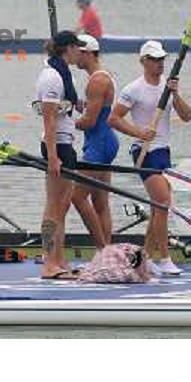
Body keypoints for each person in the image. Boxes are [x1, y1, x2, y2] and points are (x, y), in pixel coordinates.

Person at [108, 40, 191, 276]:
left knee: (158, 208)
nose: (159, 63)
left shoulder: (168, 86)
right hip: (144, 151)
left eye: (162, 59)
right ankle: (165, 258)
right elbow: (114, 118)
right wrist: (139, 132)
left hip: (164, 151)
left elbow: (187, 116)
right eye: (154, 59)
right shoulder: (133, 89)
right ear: (143, 61)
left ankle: (144, 257)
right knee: (163, 203)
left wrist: (175, 94)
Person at [36, 30, 87, 280]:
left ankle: (60, 261)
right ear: (68, 48)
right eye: (78, 48)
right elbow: (48, 119)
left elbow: (66, 108)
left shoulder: (66, 75)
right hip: (55, 145)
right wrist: (53, 157)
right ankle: (48, 263)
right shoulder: (51, 77)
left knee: (62, 207)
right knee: (53, 207)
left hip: (67, 143)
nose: (81, 52)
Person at [72, 34, 119, 249]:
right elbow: (95, 111)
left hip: (99, 143)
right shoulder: (103, 76)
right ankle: (106, 251)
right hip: (104, 141)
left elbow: (89, 122)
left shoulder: (97, 81)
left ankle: (103, 250)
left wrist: (64, 122)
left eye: (78, 53)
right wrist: (75, 105)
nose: (74, 57)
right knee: (100, 204)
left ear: (89, 53)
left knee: (77, 197)